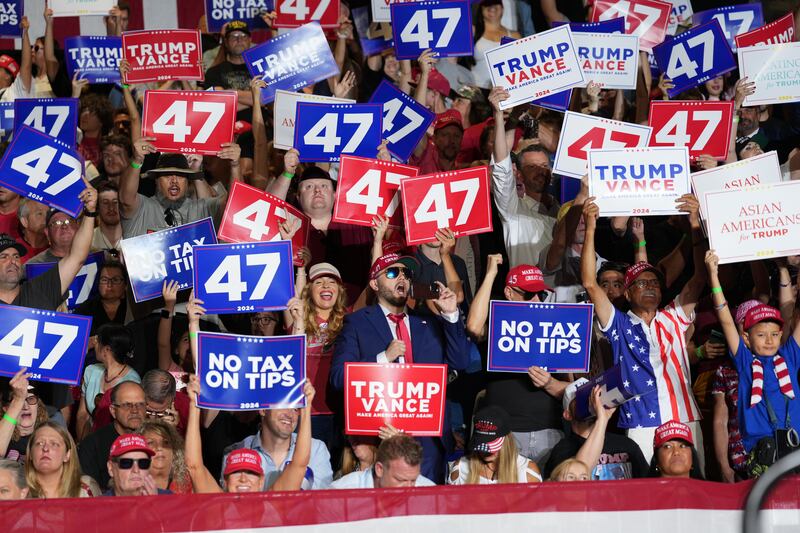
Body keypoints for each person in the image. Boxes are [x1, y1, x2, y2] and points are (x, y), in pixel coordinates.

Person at [580, 195, 707, 464]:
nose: (649, 286)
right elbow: (591, 283)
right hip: (640, 422)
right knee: (647, 495)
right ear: (626, 294)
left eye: (654, 282)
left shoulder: (674, 316)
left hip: (684, 415)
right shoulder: (618, 323)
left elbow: (698, 279)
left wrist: (695, 223)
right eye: (640, 283)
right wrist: (590, 226)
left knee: (694, 488)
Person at [331, 252, 470, 483]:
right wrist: (383, 358)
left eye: (406, 273)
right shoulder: (357, 323)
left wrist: (451, 314)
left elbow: (460, 362)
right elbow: (338, 378)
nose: (402, 278)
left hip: (428, 442)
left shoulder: (428, 324)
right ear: (375, 283)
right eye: (393, 272)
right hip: (381, 440)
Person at [466, 256, 567, 465]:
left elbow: (575, 385)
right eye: (529, 294)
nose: (536, 300)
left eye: (541, 294)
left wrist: (550, 384)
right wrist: (491, 274)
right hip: (504, 433)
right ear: (509, 293)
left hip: (549, 431)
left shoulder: (559, 327)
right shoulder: (497, 324)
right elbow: (474, 327)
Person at [706, 251, 800, 474]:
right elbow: (727, 321)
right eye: (760, 335)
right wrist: (713, 275)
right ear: (746, 338)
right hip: (762, 456)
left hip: (795, 449)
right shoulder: (745, 362)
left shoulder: (790, 356)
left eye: (774, 334)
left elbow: (793, 314)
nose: (769, 341)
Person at [185, 372, 316, 493]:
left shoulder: (272, 504)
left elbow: (300, 464)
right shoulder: (220, 505)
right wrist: (194, 405)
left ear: (261, 481)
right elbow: (194, 466)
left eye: (251, 472)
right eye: (235, 472)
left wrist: (306, 407)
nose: (243, 478)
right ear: (225, 481)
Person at [285, 262, 349, 452]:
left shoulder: (349, 318)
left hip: (338, 411)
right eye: (319, 282)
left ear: (339, 290)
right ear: (309, 290)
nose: (326, 286)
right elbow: (293, 296)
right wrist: (300, 267)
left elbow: (374, 286)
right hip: (304, 411)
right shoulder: (298, 318)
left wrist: (377, 241)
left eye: (332, 282)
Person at [489, 87, 556, 266]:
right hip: (526, 293)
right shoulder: (512, 208)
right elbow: (501, 166)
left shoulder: (563, 212)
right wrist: (499, 114)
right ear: (519, 173)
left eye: (544, 166)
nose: (540, 171)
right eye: (532, 167)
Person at [119, 142, 240, 238]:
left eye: (180, 176)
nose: (174, 180)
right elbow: (125, 199)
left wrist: (235, 166)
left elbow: (234, 205)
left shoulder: (200, 208)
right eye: (167, 175)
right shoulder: (142, 208)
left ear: (188, 180)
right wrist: (136, 161)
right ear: (156, 180)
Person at [545, 380, 649, 480]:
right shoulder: (563, 450)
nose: (591, 404)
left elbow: (649, 485)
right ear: (567, 415)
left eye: (593, 398)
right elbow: (577, 477)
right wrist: (602, 420)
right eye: (581, 401)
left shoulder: (627, 445)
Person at [76, 324, 140, 440]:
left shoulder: (131, 382)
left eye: (97, 341)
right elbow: (82, 415)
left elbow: (131, 425)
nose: (95, 345)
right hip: (90, 438)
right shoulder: (91, 371)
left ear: (106, 350)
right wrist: (84, 445)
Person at [448, 406, 542, 484]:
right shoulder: (461, 469)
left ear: (506, 441)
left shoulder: (526, 472)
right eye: (481, 443)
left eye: (490, 443)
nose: (485, 451)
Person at [78, 381, 146, 490]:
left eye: (140, 404)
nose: (135, 410)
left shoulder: (154, 440)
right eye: (127, 405)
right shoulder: (93, 445)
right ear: (113, 411)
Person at [26, 421, 100, 497]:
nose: (45, 448)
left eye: (54, 444)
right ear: (30, 453)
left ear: (67, 454)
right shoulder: (18, 488)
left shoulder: (85, 488)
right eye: (39, 443)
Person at [332, 434, 436, 488]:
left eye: (413, 480)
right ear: (379, 469)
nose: (409, 488)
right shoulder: (342, 491)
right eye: (400, 480)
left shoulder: (427, 490)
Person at [1, 369, 48, 462]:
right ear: (6, 409)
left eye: (31, 399)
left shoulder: (50, 435)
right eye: (20, 401)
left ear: (38, 406)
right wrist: (18, 399)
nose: (26, 406)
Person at [104, 434, 172, 496]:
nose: (136, 470)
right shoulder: (97, 506)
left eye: (143, 463)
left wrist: (156, 505)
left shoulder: (170, 500)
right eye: (126, 463)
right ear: (110, 468)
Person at [139, 420, 191, 493]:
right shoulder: (131, 484)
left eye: (166, 442)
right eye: (151, 442)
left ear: (174, 450)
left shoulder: (190, 481)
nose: (159, 447)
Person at [410, 109, 465, 174]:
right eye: (445, 135)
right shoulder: (425, 155)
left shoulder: (464, 171)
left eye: (456, 136)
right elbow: (416, 121)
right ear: (434, 138)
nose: (451, 140)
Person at [91, 181, 123, 253]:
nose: (111, 208)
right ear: (97, 207)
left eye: (115, 202)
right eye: (105, 203)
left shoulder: (133, 236)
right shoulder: (88, 240)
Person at [16, 199, 48, 263]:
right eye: (39, 214)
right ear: (24, 221)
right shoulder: (14, 249)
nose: (47, 218)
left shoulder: (58, 247)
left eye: (48, 213)